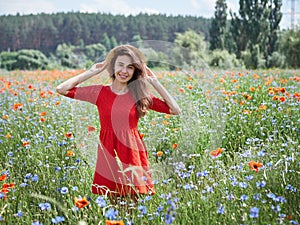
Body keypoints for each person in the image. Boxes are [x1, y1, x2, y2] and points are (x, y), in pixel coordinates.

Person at [56, 45, 181, 200]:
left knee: (133, 203)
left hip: (132, 152)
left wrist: (155, 82)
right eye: (120, 65)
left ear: (135, 71)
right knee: (113, 204)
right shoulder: (100, 92)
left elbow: (175, 110)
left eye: (130, 67)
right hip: (109, 152)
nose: (124, 71)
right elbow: (61, 89)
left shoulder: (139, 95)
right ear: (113, 66)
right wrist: (92, 72)